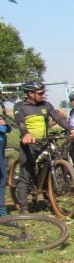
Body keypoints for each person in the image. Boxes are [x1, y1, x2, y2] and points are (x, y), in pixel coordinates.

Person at [13, 81, 74, 213]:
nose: (42, 95)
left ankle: (49, 200)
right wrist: (26, 134)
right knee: (26, 174)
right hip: (29, 144)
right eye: (39, 93)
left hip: (44, 142)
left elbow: (59, 119)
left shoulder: (46, 105)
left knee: (47, 171)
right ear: (30, 93)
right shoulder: (20, 106)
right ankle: (23, 206)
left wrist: (72, 130)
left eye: (43, 92)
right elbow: (20, 123)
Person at [0, 82, 12, 216]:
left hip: (1, 142)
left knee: (2, 177)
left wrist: (5, 126)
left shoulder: (1, 106)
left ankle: (1, 208)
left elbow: (7, 126)